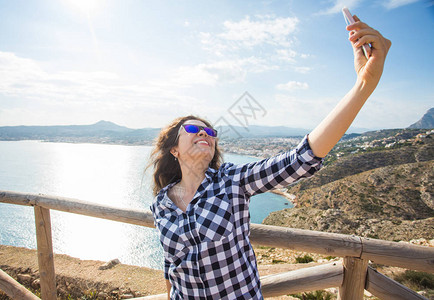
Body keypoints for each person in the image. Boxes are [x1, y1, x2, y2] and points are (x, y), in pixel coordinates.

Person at [149, 16, 391, 300]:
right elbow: (171, 267)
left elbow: (301, 159)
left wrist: (364, 85)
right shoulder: (161, 204)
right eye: (192, 128)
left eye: (210, 131)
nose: (205, 133)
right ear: (173, 150)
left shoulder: (232, 182)